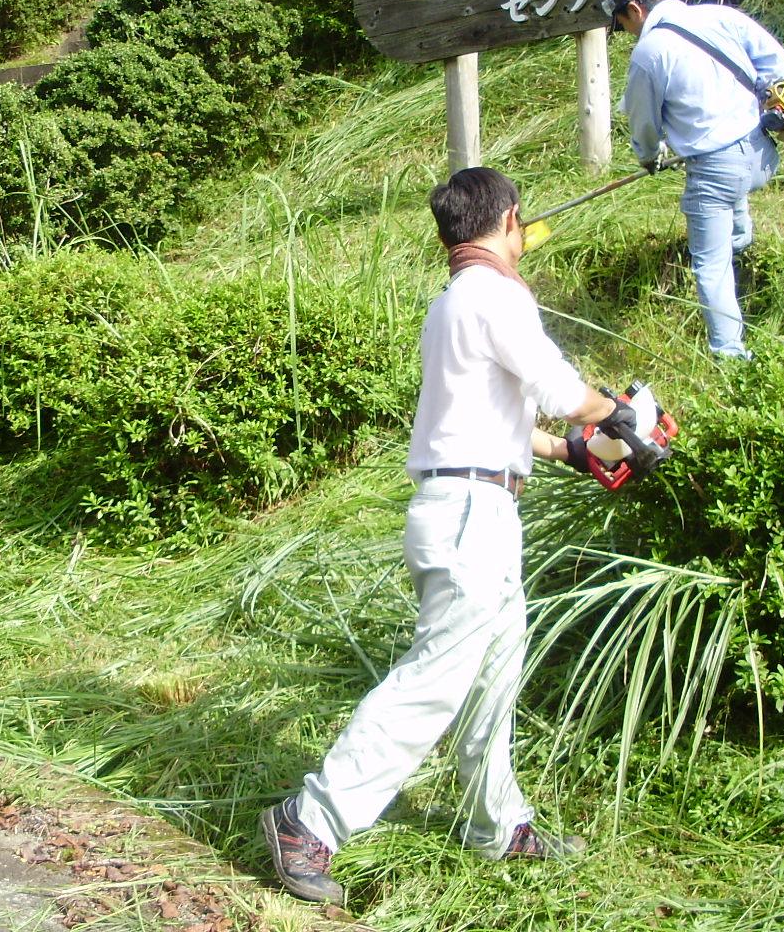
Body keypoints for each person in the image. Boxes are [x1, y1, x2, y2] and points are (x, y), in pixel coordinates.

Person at [259, 166, 629, 905]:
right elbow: (560, 392)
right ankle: (311, 819)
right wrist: (620, 416)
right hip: (469, 515)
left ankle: (496, 825)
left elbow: (505, 417)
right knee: (434, 681)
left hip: (477, 505)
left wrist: (570, 451)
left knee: (495, 672)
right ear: (512, 219)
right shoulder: (495, 296)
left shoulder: (454, 302)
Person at [604, 0, 784, 360]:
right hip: (761, 152)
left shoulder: (650, 53)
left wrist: (648, 157)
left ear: (635, 9)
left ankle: (730, 355)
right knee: (730, 211)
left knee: (710, 264)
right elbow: (776, 60)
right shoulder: (718, 16)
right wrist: (765, 99)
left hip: (716, 170)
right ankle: (743, 248)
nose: (626, 32)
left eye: (621, 22)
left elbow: (644, 123)